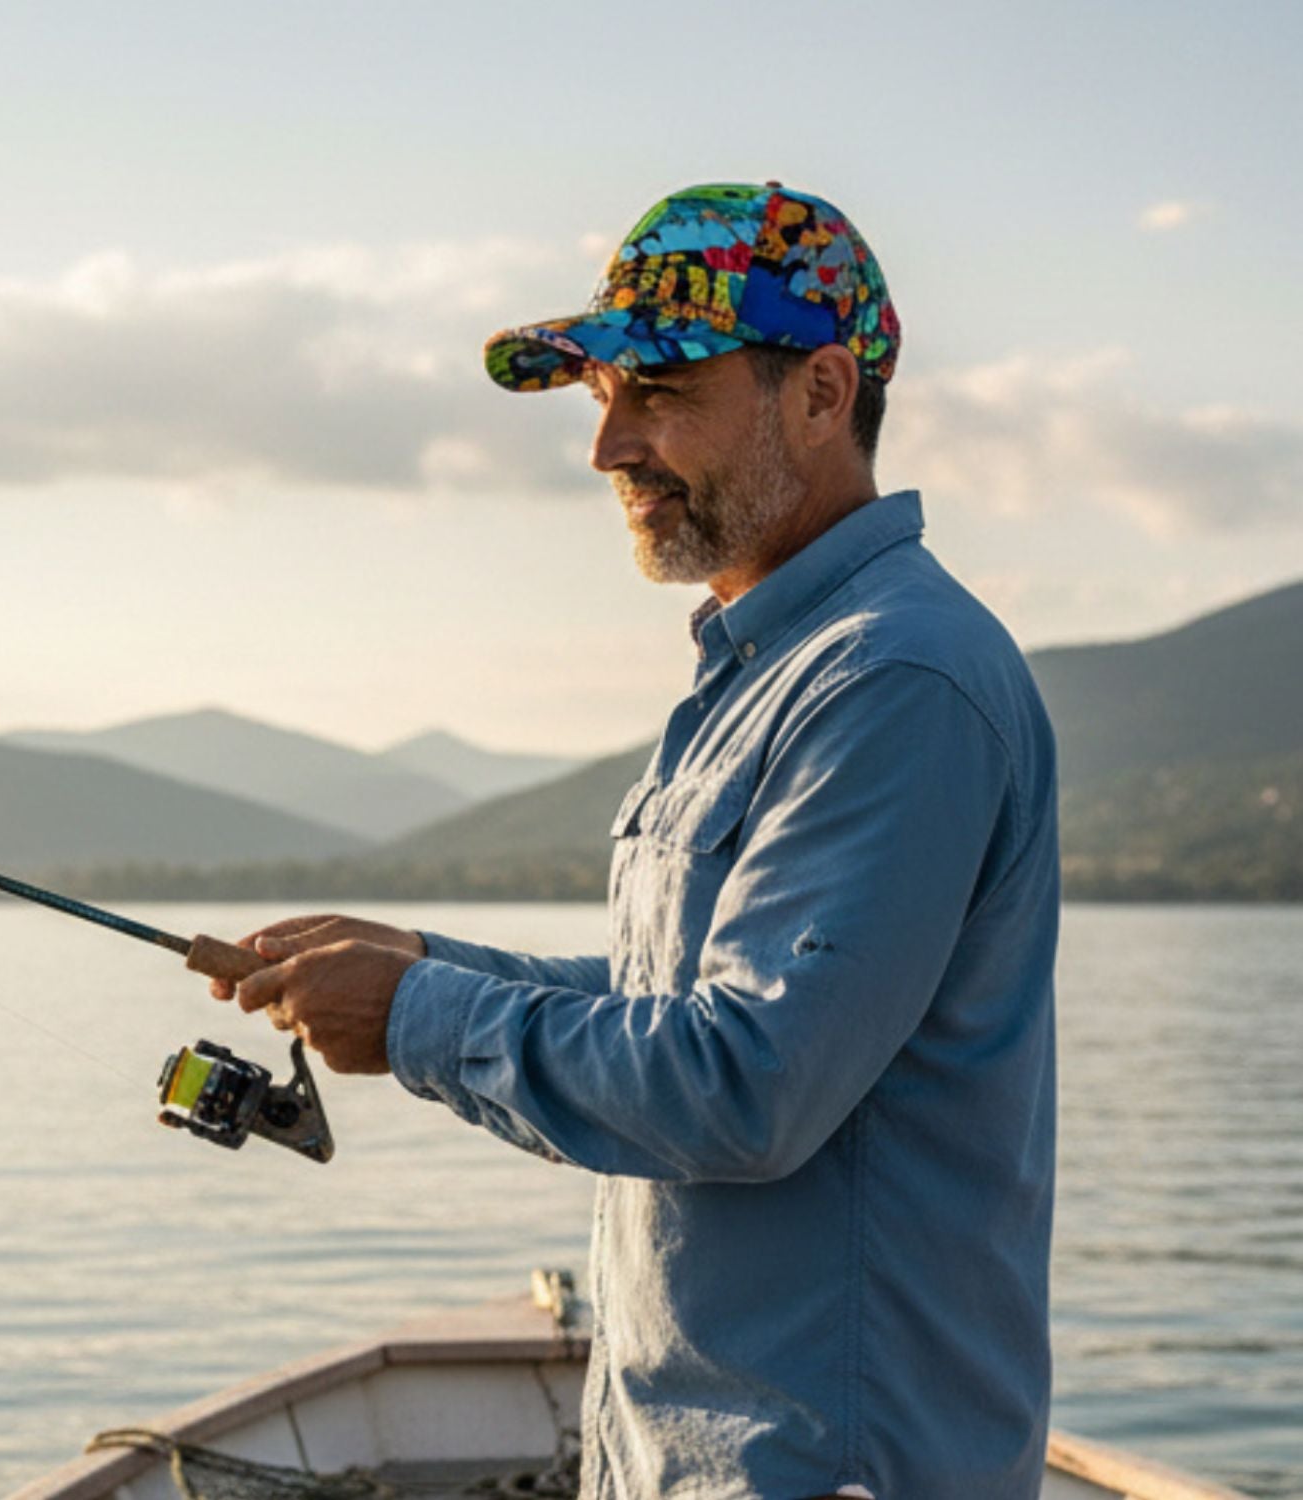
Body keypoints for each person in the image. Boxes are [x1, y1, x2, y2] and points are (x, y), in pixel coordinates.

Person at [212, 182, 1060, 1500]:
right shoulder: (770, 674)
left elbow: (749, 1082)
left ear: (823, 393)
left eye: (658, 392)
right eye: (599, 397)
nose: (608, 447)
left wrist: (418, 1015)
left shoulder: (898, 680)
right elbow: (690, 1006)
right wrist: (425, 959)